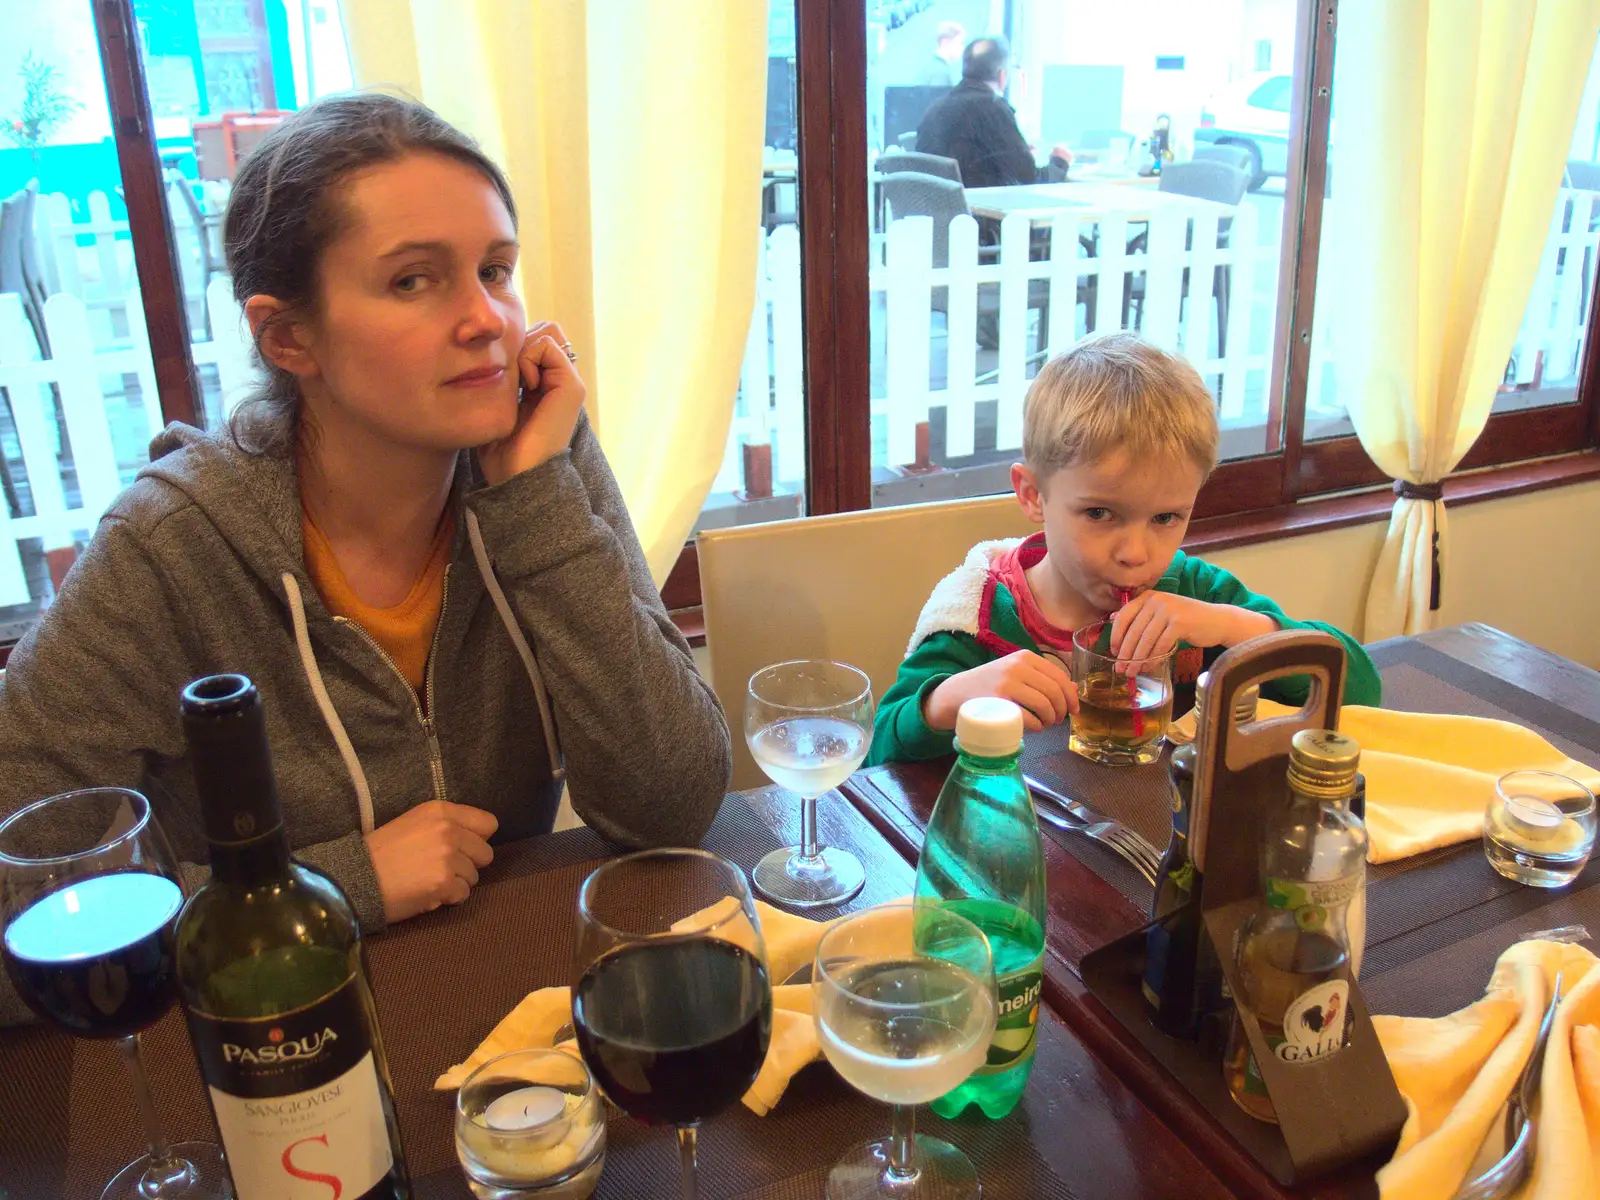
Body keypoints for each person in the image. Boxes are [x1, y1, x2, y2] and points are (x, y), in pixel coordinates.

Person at [0, 93, 732, 1021]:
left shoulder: (538, 464)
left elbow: (670, 804)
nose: (487, 321)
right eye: (414, 282)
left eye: (496, 270)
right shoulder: (169, 545)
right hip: (255, 1042)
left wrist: (536, 506)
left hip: (495, 1003)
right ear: (288, 336)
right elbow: (23, 913)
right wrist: (336, 884)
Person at [868, 332, 1381, 765]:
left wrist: (1235, 627)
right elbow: (876, 761)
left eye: (1165, 518)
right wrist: (946, 702)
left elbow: (1358, 691)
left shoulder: (1192, 593)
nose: (1136, 554)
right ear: (1032, 495)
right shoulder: (977, 619)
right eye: (1099, 514)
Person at [914, 36, 1071, 189]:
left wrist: (1016, 151)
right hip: (980, 212)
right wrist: (1059, 163)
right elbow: (1029, 179)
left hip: (944, 212)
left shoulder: (935, 108)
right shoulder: (993, 108)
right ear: (1002, 76)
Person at [914, 21, 965, 87]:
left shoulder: (932, 67)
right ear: (945, 42)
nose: (962, 48)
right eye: (960, 43)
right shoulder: (940, 72)